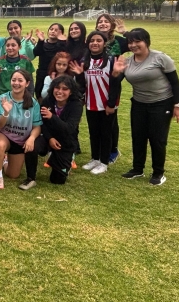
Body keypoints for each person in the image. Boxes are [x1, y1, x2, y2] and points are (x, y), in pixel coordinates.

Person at [112, 28, 179, 185]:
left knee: (157, 139)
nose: (133, 45)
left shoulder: (160, 58)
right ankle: (137, 169)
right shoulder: (128, 61)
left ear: (146, 41)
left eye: (138, 41)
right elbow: (115, 84)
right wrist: (116, 73)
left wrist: (177, 105)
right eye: (130, 42)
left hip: (161, 103)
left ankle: (158, 173)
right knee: (138, 137)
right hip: (138, 104)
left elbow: (175, 83)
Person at [69, 31, 121, 176]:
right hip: (91, 103)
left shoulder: (111, 60)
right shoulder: (86, 62)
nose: (95, 43)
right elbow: (82, 86)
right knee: (94, 133)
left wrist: (111, 104)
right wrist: (79, 74)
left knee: (106, 133)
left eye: (99, 40)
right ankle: (95, 158)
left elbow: (115, 85)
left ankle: (104, 162)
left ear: (104, 43)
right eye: (92, 40)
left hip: (106, 105)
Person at [0, 69, 42, 190]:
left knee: (13, 175)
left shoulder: (33, 103)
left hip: (20, 141)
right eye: (14, 80)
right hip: (4, 135)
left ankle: (4, 161)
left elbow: (37, 127)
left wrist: (31, 138)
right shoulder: (2, 99)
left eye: (20, 80)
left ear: (27, 83)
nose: (16, 83)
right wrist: (6, 112)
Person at [34, 75, 83, 186]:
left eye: (65, 89)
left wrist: (52, 117)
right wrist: (50, 138)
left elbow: (69, 129)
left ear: (71, 92)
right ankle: (31, 176)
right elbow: (42, 123)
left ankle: (62, 160)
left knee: (57, 180)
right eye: (57, 88)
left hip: (65, 142)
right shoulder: (48, 100)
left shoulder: (76, 105)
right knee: (33, 146)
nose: (60, 91)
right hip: (49, 137)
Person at [95, 13, 127, 164]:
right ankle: (101, 149)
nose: (102, 24)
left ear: (111, 25)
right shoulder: (95, 40)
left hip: (112, 84)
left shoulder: (119, 41)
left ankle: (113, 149)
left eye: (106, 21)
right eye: (100, 22)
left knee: (111, 117)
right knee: (98, 119)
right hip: (96, 83)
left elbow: (137, 43)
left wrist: (125, 32)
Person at [33, 23, 67, 100]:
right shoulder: (43, 43)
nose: (53, 31)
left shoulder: (62, 45)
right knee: (40, 96)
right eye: (51, 29)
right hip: (42, 74)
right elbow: (36, 52)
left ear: (61, 33)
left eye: (56, 30)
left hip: (56, 74)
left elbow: (62, 55)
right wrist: (41, 41)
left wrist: (62, 41)